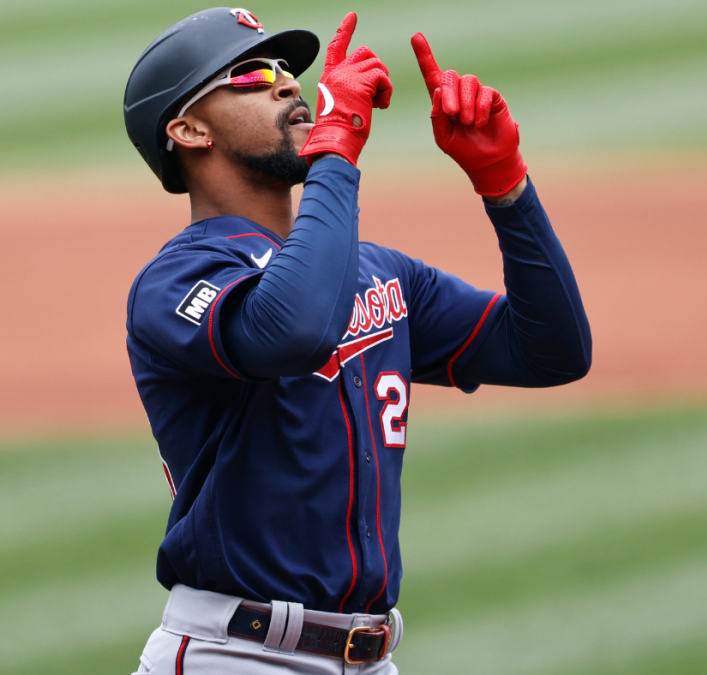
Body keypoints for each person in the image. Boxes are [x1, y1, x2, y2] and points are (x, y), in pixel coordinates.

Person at [122, 7, 591, 674]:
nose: (287, 85)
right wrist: (335, 152)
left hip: (370, 657)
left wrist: (504, 183)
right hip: (235, 654)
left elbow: (552, 351)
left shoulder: (375, 271)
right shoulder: (177, 281)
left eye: (289, 72)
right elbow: (294, 328)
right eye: (251, 74)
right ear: (188, 128)